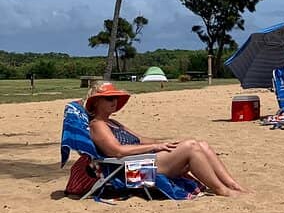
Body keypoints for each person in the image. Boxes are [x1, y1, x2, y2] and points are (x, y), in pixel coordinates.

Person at [86, 82, 247, 198]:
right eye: (109, 98)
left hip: (141, 160)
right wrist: (156, 147)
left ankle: (232, 184)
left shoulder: (113, 123)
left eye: (115, 97)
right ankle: (221, 190)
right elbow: (117, 151)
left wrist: (166, 143)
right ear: (97, 102)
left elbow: (140, 139)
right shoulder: (98, 125)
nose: (114, 101)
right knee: (191, 146)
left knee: (201, 145)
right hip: (131, 172)